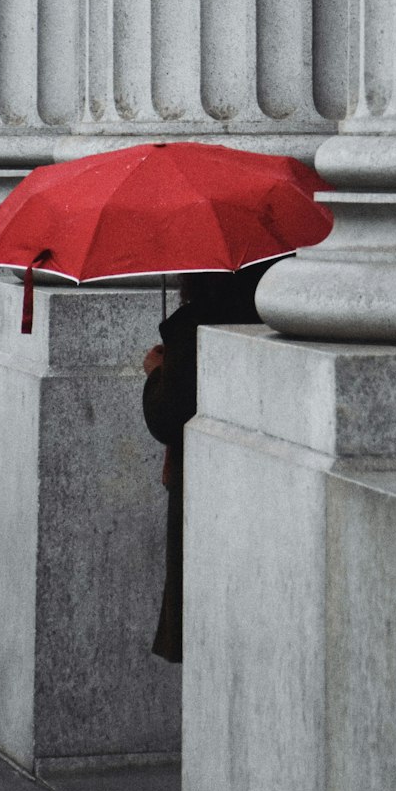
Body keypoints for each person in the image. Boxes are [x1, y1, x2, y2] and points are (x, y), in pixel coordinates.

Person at [141, 265, 271, 662]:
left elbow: (166, 417)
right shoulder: (264, 318)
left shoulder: (192, 326)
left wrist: (155, 373)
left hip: (200, 484)